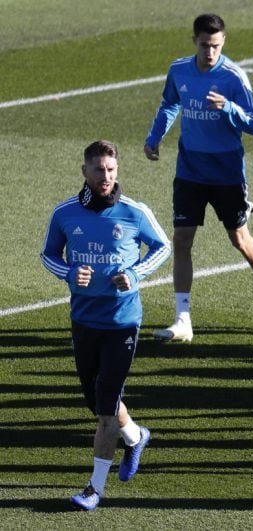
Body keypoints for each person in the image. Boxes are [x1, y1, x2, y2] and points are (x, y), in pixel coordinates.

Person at [41, 141, 171, 511]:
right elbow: (48, 254)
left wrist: (134, 273)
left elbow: (160, 247)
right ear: (84, 171)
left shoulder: (134, 212)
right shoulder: (65, 214)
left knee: (104, 408)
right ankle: (136, 435)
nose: (106, 177)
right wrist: (68, 272)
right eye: (99, 170)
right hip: (83, 320)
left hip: (122, 323)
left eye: (111, 170)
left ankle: (94, 488)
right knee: (98, 402)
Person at [144, 13, 253, 342]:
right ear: (193, 40)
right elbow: (169, 105)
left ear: (224, 43)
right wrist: (154, 138)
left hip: (227, 173)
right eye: (205, 45)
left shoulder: (234, 77)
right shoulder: (179, 69)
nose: (210, 52)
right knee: (181, 239)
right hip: (189, 169)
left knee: (239, 238)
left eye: (217, 46)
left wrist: (229, 109)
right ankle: (183, 319)